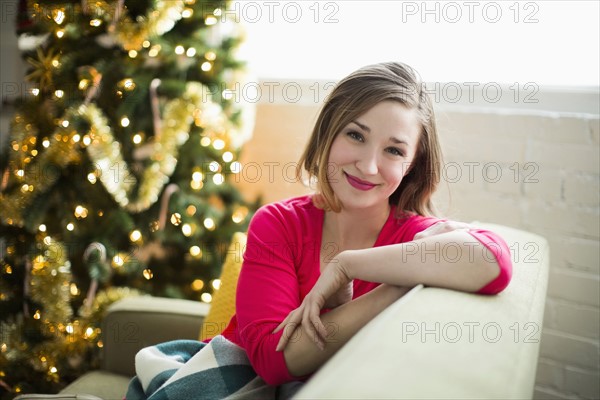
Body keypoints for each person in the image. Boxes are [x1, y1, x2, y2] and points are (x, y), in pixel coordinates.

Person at [217, 61, 512, 386]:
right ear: (328, 133)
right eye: (356, 135)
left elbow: (494, 261)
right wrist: (398, 285)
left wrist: (348, 266)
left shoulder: (415, 236)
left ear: (413, 165)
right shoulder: (279, 224)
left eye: (394, 150)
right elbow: (273, 361)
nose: (369, 166)